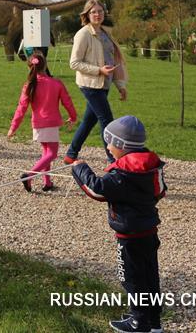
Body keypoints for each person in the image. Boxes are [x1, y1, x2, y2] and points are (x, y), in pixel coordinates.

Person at [72, 116, 167, 333]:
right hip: (149, 232)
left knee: (131, 278)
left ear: (123, 146)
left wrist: (80, 169)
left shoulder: (121, 175)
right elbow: (160, 191)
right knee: (149, 275)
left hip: (129, 237)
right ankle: (153, 322)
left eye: (110, 142)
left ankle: (138, 322)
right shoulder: (152, 165)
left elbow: (96, 189)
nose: (108, 146)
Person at [65, 0, 128, 164]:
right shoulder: (83, 34)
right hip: (90, 85)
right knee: (107, 121)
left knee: (89, 121)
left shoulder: (106, 33)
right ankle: (112, 160)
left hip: (104, 84)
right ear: (87, 14)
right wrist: (98, 70)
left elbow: (114, 60)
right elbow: (74, 63)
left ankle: (71, 154)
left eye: (100, 11)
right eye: (93, 12)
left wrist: (121, 86)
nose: (97, 14)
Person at [7, 51, 77, 192]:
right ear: (45, 65)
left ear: (29, 67)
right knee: (52, 154)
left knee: (46, 153)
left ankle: (48, 182)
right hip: (51, 123)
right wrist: (73, 116)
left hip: (38, 124)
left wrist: (13, 127)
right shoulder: (56, 83)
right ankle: (29, 176)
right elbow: (67, 101)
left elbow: (21, 108)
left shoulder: (29, 85)